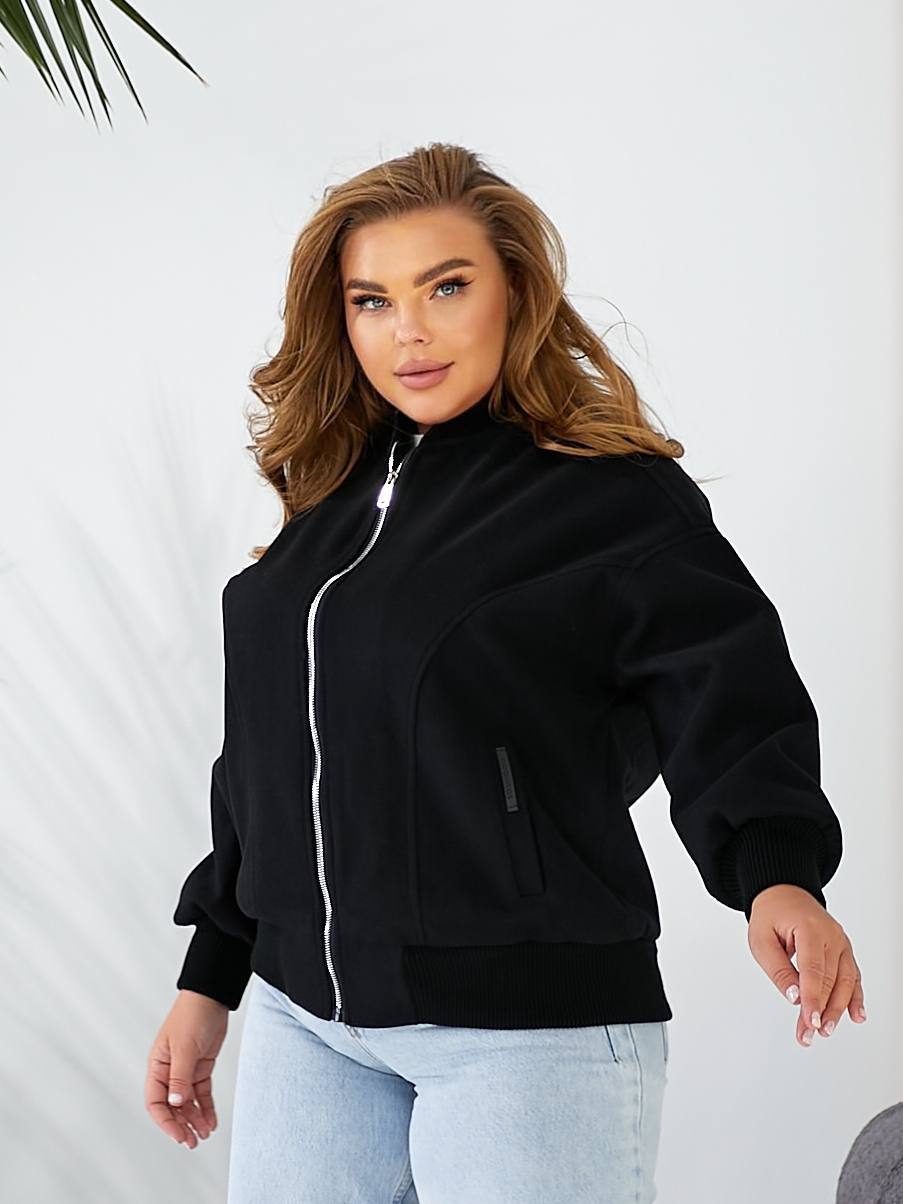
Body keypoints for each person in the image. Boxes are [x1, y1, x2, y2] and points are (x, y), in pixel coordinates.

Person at [145, 142, 865, 1202]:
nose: (409, 331)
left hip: (526, 1034)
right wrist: (212, 973)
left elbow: (727, 686)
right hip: (311, 1026)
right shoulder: (332, 496)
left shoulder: (608, 496)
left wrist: (776, 872)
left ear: (514, 291)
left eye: (445, 287)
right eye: (372, 300)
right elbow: (266, 754)